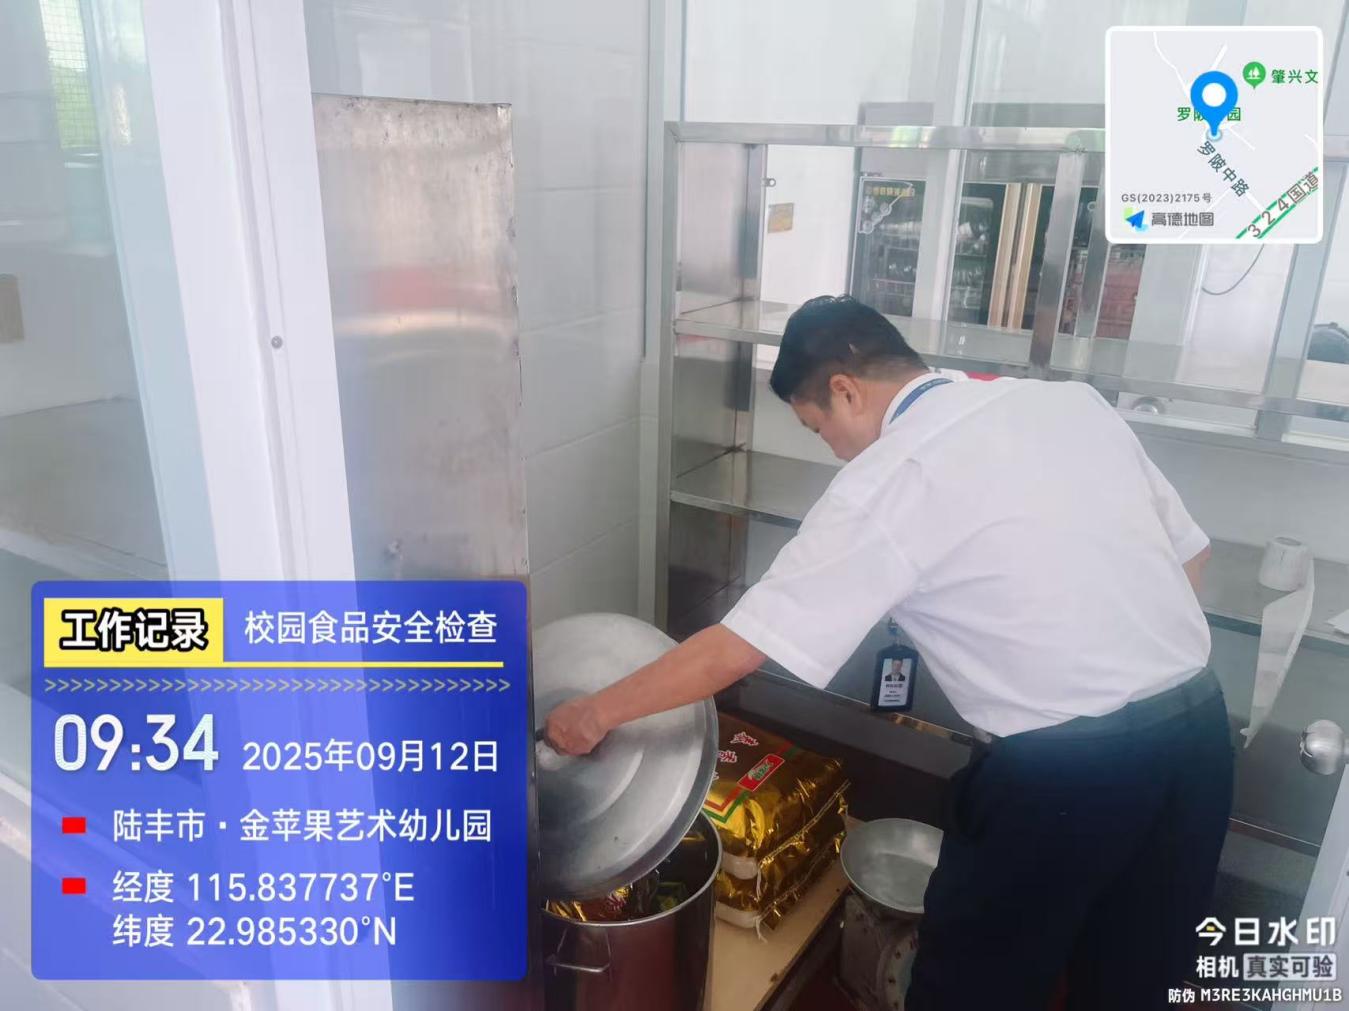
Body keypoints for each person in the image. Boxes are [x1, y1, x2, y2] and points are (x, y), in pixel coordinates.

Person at [544, 295, 1233, 1010]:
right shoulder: (1067, 404)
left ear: (845, 389)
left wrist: (594, 713)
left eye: (819, 429)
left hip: (1064, 779)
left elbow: (738, 648)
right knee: (1138, 980)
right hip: (1197, 741)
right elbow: (1192, 554)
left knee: (971, 989)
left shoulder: (892, 475)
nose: (835, 450)